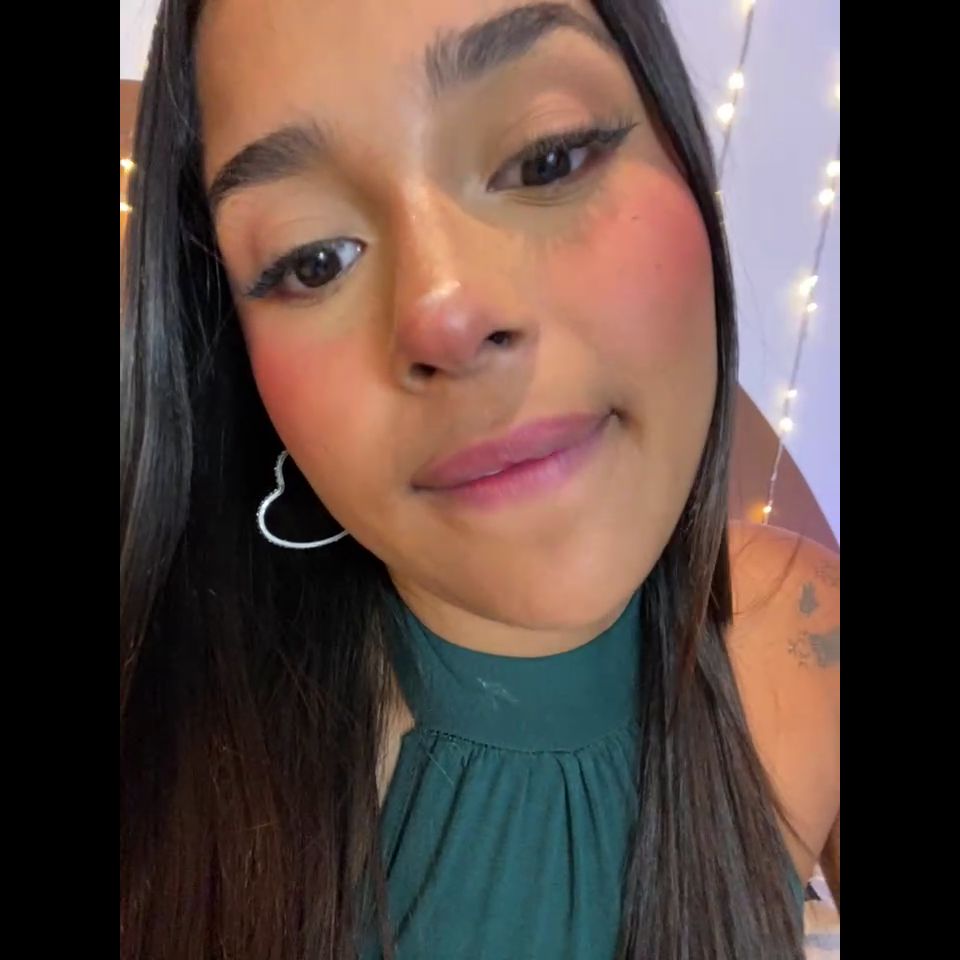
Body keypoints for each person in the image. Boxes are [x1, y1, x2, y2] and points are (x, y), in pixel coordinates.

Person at [119, 1, 840, 957]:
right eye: (313, 260)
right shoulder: (160, 760)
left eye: (547, 158)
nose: (446, 317)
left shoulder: (806, 642)